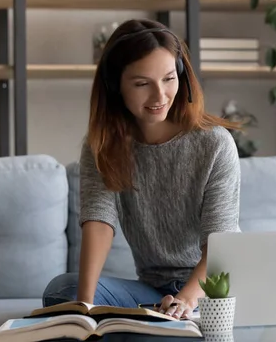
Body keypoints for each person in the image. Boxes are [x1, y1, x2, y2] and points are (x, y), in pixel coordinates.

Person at [42, 18, 241, 320]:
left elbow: (220, 243)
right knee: (64, 291)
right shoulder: (103, 144)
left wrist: (185, 301)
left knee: (183, 315)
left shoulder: (214, 144)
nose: (159, 96)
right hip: (153, 291)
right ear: (115, 86)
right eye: (141, 84)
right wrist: (83, 312)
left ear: (183, 76)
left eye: (168, 79)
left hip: (210, 288)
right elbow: (99, 221)